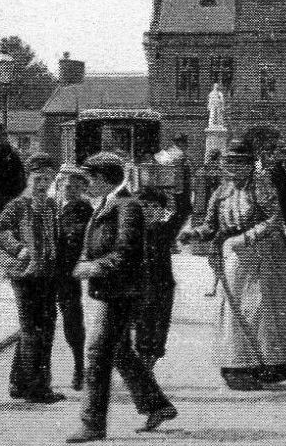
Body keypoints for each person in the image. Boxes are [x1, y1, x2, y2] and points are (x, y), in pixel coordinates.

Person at [181, 139, 286, 391]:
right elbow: (211, 226)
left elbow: (274, 220)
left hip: (269, 255)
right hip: (239, 259)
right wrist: (193, 234)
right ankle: (239, 367)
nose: (235, 169)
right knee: (236, 311)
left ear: (251, 165)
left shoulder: (261, 185)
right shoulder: (221, 192)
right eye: (230, 163)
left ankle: (282, 365)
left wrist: (246, 237)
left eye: (241, 163)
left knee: (264, 309)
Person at [67, 153, 177, 443]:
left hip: (121, 291)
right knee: (120, 352)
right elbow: (94, 243)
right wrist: (84, 259)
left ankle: (92, 425)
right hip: (111, 289)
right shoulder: (106, 203)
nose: (86, 184)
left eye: (89, 178)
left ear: (102, 179)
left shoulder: (127, 206)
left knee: (96, 353)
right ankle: (157, 405)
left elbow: (127, 253)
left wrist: (92, 267)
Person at [0, 154, 67, 404]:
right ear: (28, 177)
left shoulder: (53, 205)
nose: (43, 184)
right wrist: (18, 248)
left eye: (48, 179)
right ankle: (38, 387)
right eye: (38, 178)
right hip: (25, 275)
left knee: (38, 328)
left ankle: (18, 382)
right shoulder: (18, 205)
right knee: (35, 330)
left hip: (47, 275)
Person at [134, 183, 192, 369]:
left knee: (159, 325)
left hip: (163, 285)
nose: (150, 211)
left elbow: (184, 211)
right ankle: (143, 362)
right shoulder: (132, 231)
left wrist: (180, 187)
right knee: (142, 323)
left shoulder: (165, 230)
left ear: (162, 210)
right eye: (145, 206)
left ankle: (150, 362)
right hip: (139, 285)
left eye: (155, 207)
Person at [54, 165, 93, 391]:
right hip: (45, 271)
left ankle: (79, 367)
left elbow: (83, 233)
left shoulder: (83, 208)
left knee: (72, 320)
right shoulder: (51, 205)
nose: (69, 189)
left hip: (67, 271)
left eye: (75, 186)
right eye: (66, 185)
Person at [196, 151, 226, 297]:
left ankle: (216, 287)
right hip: (214, 216)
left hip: (221, 217)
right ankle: (217, 285)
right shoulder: (209, 172)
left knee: (216, 255)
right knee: (214, 256)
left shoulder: (219, 174)